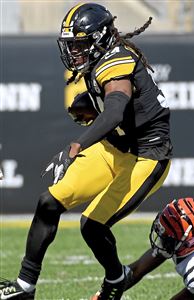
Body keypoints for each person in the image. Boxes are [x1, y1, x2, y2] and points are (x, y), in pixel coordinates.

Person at [0, 3, 172, 300]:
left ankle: (116, 279)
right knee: (49, 203)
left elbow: (116, 111)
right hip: (115, 148)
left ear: (101, 38)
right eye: (72, 45)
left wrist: (77, 144)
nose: (74, 52)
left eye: (80, 44)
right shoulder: (103, 58)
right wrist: (90, 103)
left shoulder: (117, 61)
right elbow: (119, 107)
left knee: (92, 226)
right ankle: (25, 289)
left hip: (146, 156)